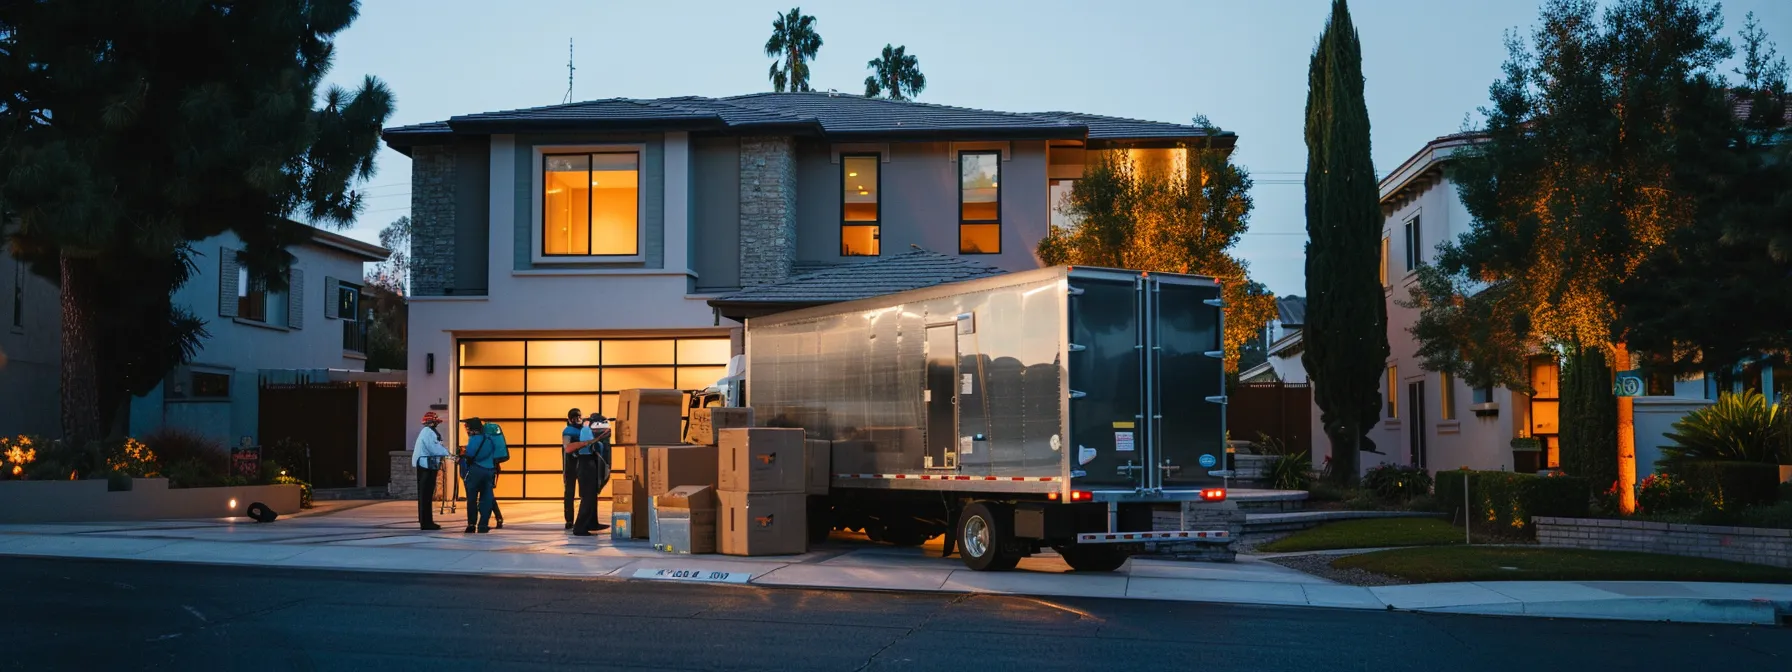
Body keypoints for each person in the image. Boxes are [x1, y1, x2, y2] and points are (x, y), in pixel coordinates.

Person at [562, 408, 611, 536]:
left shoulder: (585, 429)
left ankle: (592, 522)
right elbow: (567, 448)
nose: (577, 419)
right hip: (578, 463)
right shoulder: (569, 431)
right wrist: (590, 441)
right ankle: (575, 524)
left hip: (590, 462)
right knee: (581, 494)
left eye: (578, 416)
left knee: (592, 494)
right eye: (574, 417)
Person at [412, 412, 451, 531]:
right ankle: (426, 522)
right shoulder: (428, 432)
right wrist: (447, 453)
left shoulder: (427, 432)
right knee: (426, 495)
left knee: (426, 495)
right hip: (426, 466)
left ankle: (426, 521)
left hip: (426, 465)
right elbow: (433, 448)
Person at [459, 417, 499, 533]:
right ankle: (483, 525)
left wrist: (462, 454)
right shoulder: (490, 439)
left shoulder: (475, 439)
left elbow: (470, 455)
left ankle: (471, 524)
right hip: (490, 471)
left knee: (472, 498)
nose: (466, 430)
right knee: (486, 498)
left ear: (472, 429)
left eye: (467, 427)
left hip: (476, 471)